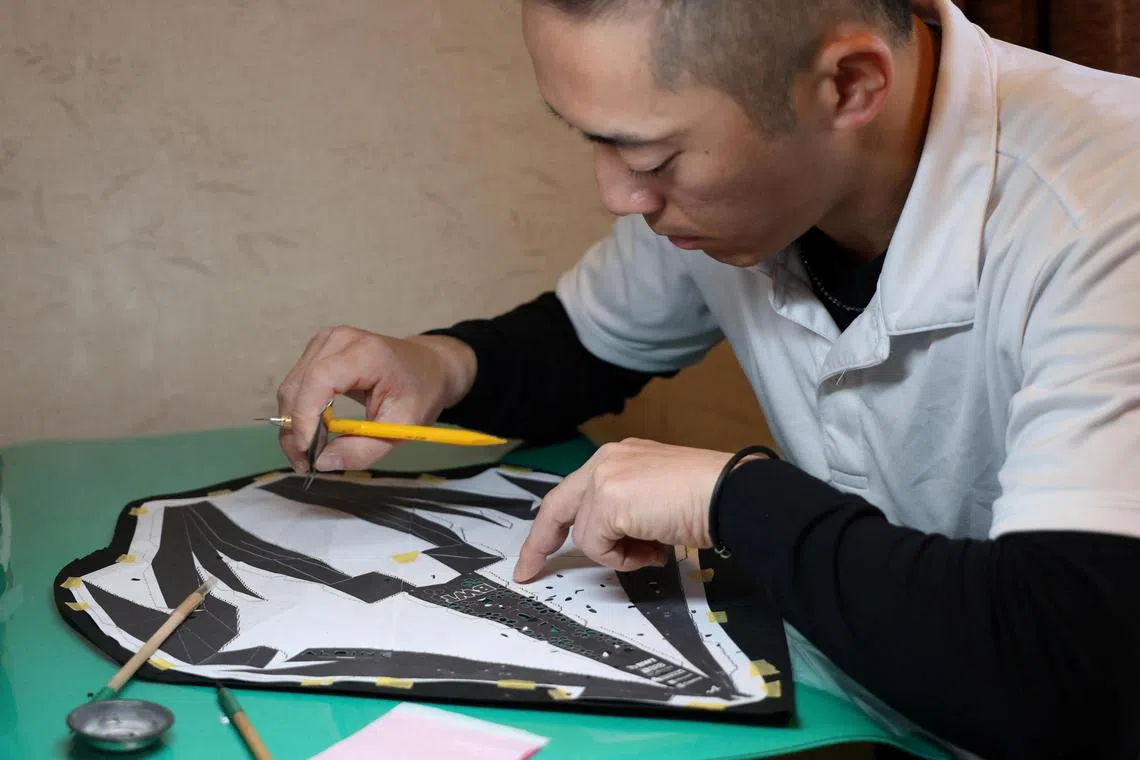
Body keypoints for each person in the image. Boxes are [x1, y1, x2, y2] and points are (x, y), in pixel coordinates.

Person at [274, 0, 1140, 757]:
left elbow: (1064, 668)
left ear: (848, 85)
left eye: (650, 159)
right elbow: (580, 346)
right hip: (873, 705)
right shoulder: (745, 196)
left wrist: (733, 497)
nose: (618, 195)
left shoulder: (1109, 203)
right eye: (591, 140)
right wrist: (439, 363)